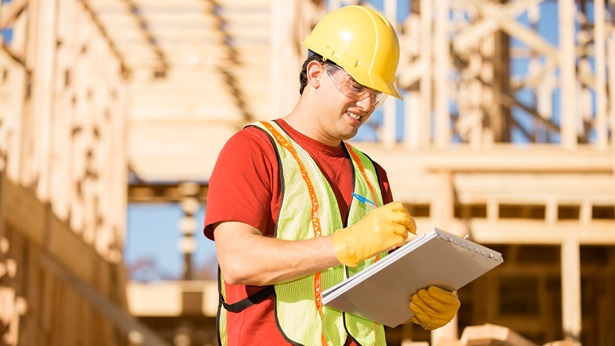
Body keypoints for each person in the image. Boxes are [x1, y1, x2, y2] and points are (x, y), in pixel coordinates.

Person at [203, 5, 460, 345]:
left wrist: (420, 302)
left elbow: (371, 288)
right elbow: (237, 260)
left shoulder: (372, 175)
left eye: (376, 94)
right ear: (315, 73)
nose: (366, 104)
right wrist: (346, 245)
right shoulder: (253, 150)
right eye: (356, 86)